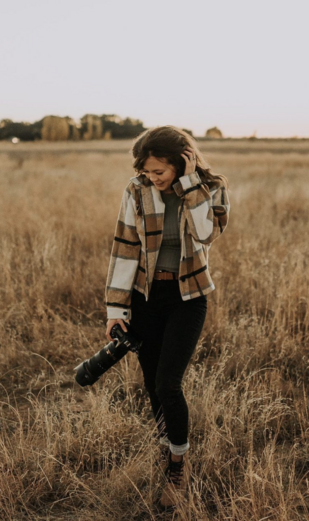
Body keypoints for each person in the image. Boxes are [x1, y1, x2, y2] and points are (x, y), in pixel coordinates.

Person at [104, 126, 230, 507]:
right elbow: (125, 246)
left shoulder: (212, 187)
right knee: (151, 383)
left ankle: (178, 465)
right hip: (145, 298)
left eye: (158, 171)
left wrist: (191, 185)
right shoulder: (136, 190)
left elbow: (206, 234)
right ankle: (166, 444)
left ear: (182, 161)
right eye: (146, 172)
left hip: (188, 297)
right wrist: (116, 308)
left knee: (168, 384)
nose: (152, 178)